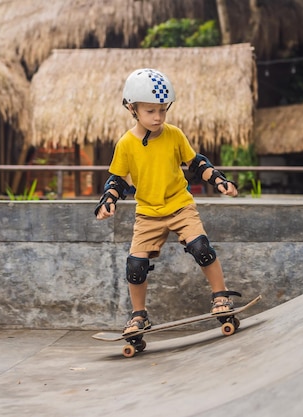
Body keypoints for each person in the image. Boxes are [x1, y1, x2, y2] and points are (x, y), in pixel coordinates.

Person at [95, 68, 241, 336]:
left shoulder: (174, 134)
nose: (158, 117)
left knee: (201, 248)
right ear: (132, 108)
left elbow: (197, 163)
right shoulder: (126, 144)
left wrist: (219, 181)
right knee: (135, 267)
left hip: (180, 205)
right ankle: (139, 316)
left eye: (163, 110)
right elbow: (117, 180)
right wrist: (108, 200)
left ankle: (220, 296)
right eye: (150, 111)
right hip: (147, 213)